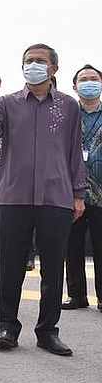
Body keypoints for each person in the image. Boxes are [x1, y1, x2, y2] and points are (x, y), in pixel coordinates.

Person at [0, 45, 86, 357]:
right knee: (11, 266)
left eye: (40, 61)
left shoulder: (68, 106)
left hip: (57, 196)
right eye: (28, 61)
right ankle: (7, 327)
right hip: (14, 196)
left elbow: (74, 151)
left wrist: (78, 193)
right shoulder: (6, 103)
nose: (33, 65)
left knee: (53, 268)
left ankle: (47, 331)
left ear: (53, 68)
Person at [64, 64, 102, 312]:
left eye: (94, 79)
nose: (89, 83)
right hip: (71, 191)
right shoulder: (67, 115)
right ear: (74, 86)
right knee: (72, 246)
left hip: (100, 193)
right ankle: (77, 295)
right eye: (83, 79)